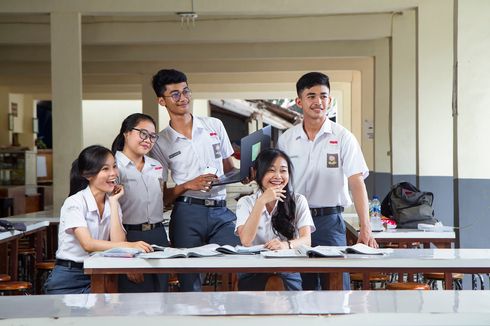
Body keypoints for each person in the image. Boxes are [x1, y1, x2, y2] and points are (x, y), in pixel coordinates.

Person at [277, 72, 377, 290]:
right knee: (303, 289)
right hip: (296, 222)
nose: (318, 102)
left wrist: (365, 227)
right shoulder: (286, 139)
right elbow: (278, 182)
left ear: (329, 100)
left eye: (323, 96)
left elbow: (357, 182)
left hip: (330, 221)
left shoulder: (343, 137)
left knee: (336, 286)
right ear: (299, 101)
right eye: (311, 96)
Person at [150, 69, 240, 292]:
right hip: (187, 213)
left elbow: (230, 169)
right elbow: (162, 197)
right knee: (190, 281)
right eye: (175, 94)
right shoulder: (160, 143)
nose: (183, 98)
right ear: (162, 101)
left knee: (241, 262)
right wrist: (187, 185)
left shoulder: (214, 125)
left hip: (221, 210)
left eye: (185, 91)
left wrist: (248, 172)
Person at [44, 145, 152, 294]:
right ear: (88, 175)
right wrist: (130, 245)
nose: (113, 173)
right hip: (70, 277)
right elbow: (88, 244)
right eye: (105, 169)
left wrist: (114, 203)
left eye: (114, 166)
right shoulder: (74, 202)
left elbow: (117, 243)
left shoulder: (112, 202)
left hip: (101, 273)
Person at [235, 148, 314, 290]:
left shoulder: (298, 200)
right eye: (271, 170)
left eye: (283, 170)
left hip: (287, 268)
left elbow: (306, 240)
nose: (278, 176)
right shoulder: (245, 202)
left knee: (292, 308)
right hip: (253, 269)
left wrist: (286, 245)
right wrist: (261, 202)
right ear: (257, 173)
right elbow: (246, 240)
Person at [111, 113, 170, 292]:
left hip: (158, 235)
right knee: (134, 297)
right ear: (127, 133)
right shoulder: (114, 166)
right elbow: (107, 212)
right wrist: (124, 255)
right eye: (143, 134)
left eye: (152, 136)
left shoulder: (156, 166)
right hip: (129, 236)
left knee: (161, 294)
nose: (148, 140)